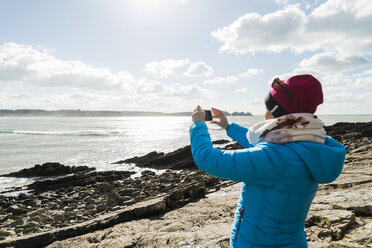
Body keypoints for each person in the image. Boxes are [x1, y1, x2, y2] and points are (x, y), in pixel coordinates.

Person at [189, 74, 346, 247]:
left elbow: (208, 158)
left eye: (269, 109)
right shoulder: (311, 144)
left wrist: (198, 125)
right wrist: (228, 126)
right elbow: (264, 145)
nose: (264, 115)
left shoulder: (275, 158)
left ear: (280, 114)